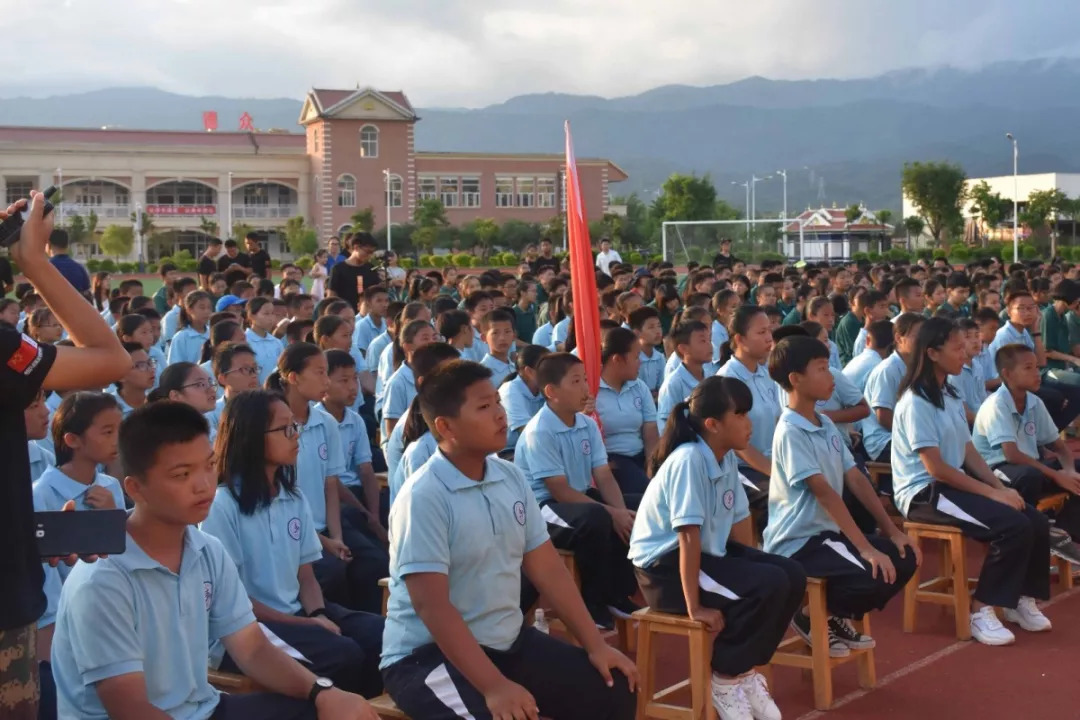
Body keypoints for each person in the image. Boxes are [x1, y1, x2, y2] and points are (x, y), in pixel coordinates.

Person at [50, 401, 379, 719]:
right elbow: (130, 708)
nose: (203, 485)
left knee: (331, 711)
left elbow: (252, 648)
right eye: (182, 474)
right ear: (136, 488)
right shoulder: (103, 579)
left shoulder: (206, 550)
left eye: (208, 466)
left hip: (202, 709)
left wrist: (323, 694)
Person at [382, 359, 637, 720]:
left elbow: (547, 567)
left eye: (498, 402)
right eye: (484, 407)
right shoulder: (424, 495)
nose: (500, 415)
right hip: (427, 657)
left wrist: (595, 646)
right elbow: (432, 607)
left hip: (505, 642)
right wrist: (493, 686)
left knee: (613, 685)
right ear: (445, 426)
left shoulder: (510, 476)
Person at [629, 377, 802, 720]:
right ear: (712, 424)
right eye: (740, 415)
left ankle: (744, 670)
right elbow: (687, 537)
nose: (749, 423)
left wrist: (752, 566)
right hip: (664, 571)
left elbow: (738, 526)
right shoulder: (689, 459)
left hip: (704, 557)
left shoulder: (724, 458)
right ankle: (725, 677)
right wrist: (695, 606)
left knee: (790, 574)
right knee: (766, 585)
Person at [201, 390, 384, 697]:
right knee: (343, 654)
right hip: (246, 628)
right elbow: (236, 601)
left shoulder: (293, 496)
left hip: (297, 613)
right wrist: (306, 625)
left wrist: (317, 616)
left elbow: (306, 576)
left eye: (295, 426)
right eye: (285, 429)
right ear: (252, 437)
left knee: (382, 636)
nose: (295, 436)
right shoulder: (223, 505)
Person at [891, 318, 1051, 646]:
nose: (966, 354)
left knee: (1033, 519)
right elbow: (935, 468)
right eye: (958, 348)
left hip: (951, 485)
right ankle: (980, 610)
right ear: (933, 353)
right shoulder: (916, 401)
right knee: (1013, 525)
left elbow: (968, 452)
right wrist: (992, 494)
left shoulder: (948, 392)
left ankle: (1021, 599)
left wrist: (1000, 488)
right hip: (925, 493)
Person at [764, 335, 919, 658]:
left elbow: (857, 481)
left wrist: (892, 530)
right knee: (873, 571)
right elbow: (824, 494)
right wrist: (865, 548)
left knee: (905, 557)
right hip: (798, 541)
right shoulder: (790, 430)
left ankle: (830, 615)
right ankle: (808, 616)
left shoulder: (824, 423)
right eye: (821, 369)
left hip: (828, 536)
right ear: (795, 379)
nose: (831, 376)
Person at [514, 353, 640, 629]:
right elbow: (559, 491)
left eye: (585, 379)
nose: (586, 388)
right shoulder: (540, 431)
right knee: (596, 519)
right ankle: (592, 603)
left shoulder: (587, 424)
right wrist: (611, 514)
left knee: (638, 508)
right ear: (551, 391)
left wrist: (620, 512)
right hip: (542, 509)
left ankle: (618, 593)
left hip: (577, 497)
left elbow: (604, 476)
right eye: (576, 381)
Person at [268, 344, 389, 614]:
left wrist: (335, 535)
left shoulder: (326, 423)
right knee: (332, 571)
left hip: (325, 526)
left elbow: (330, 484)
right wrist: (325, 543)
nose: (325, 381)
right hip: (291, 531)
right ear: (293, 377)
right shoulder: (274, 427)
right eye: (320, 373)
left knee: (375, 563)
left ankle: (371, 629)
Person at [972, 343, 1080, 563]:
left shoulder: (1034, 402)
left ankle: (1061, 534)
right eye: (1028, 368)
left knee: (1077, 469)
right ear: (1007, 374)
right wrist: (1056, 476)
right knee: (1029, 475)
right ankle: (1032, 541)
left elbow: (1058, 447)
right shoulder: (997, 404)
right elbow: (1011, 455)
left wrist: (1068, 471)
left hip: (1030, 467)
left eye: (1036, 367)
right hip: (995, 471)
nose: (1037, 373)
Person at [318, 350, 384, 541]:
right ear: (325, 382)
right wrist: (366, 515)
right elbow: (331, 482)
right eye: (343, 381)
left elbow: (366, 470)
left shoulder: (355, 420)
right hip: (333, 498)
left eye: (354, 379)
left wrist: (375, 515)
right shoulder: (316, 423)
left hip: (356, 491)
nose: (353, 387)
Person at [717, 306, 778, 500]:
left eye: (769, 330)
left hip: (774, 462)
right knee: (785, 496)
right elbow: (738, 446)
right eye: (761, 332)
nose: (769, 337)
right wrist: (776, 473)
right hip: (742, 470)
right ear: (739, 339)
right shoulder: (727, 380)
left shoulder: (766, 374)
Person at [858, 313, 925, 471]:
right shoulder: (888, 370)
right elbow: (884, 417)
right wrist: (915, 435)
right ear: (899, 338)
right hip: (883, 441)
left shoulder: (915, 366)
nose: (923, 341)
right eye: (917, 336)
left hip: (905, 435)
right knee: (935, 456)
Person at [596, 327, 658, 496]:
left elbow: (650, 431)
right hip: (613, 462)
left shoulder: (639, 387)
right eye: (636, 357)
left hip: (640, 457)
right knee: (649, 496)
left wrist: (652, 468)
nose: (641, 362)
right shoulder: (592, 390)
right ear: (617, 359)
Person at [657, 320, 712, 436]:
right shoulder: (673, 384)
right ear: (683, 349)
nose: (709, 345)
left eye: (709, 340)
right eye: (702, 341)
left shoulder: (711, 376)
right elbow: (666, 429)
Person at [328, 232, 380, 312]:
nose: (370, 256)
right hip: (344, 316)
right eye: (368, 252)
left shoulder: (371, 268)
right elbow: (331, 297)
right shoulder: (338, 269)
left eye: (372, 253)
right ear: (356, 247)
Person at [245, 296, 286, 386]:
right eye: (266, 314)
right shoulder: (245, 342)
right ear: (251, 316)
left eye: (272, 313)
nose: (271, 318)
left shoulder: (276, 342)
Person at [166, 290, 213, 366]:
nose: (207, 311)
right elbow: (175, 366)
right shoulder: (181, 337)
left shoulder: (212, 333)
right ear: (189, 310)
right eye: (202, 307)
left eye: (209, 307)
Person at [46, 229, 90, 295]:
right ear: (67, 245)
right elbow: (87, 294)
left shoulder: (46, 268)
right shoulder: (80, 269)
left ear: (49, 244)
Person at [479, 308, 516, 387]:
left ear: (514, 336)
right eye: (495, 333)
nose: (502, 338)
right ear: (484, 338)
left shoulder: (516, 367)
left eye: (507, 331)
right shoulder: (482, 374)